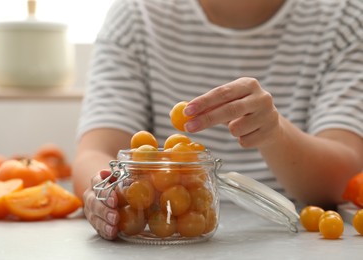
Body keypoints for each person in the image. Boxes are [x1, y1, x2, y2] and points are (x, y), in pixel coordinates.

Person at [72, 0, 363, 240]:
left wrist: (274, 133)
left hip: (294, 236)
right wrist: (106, 195)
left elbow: (342, 179)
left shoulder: (345, 18)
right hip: (161, 230)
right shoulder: (136, 15)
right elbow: (96, 152)